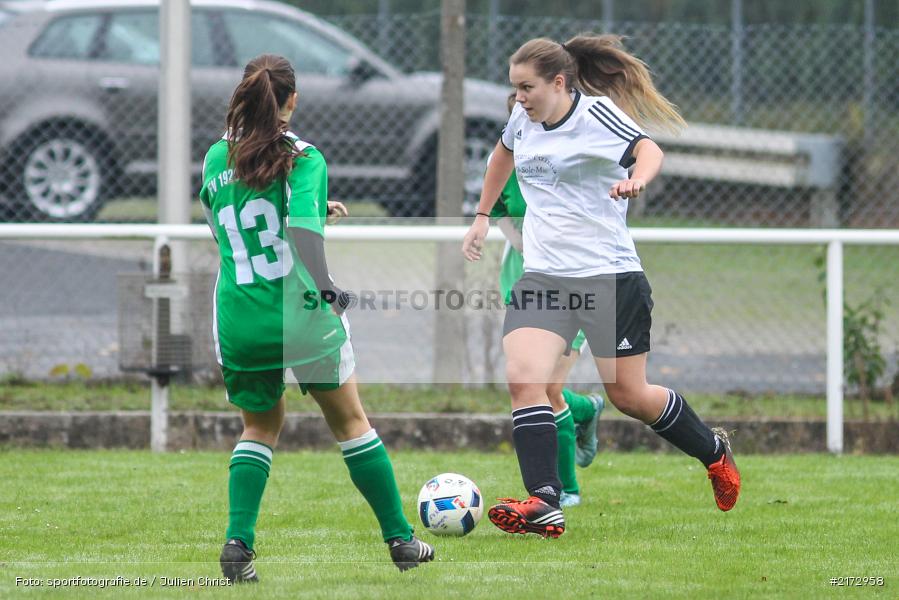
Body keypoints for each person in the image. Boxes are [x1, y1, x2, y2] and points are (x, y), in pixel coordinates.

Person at [462, 35, 741, 538]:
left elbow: (649, 150)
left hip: (609, 276)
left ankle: (713, 451)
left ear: (559, 83)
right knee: (525, 379)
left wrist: (638, 178)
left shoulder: (597, 115)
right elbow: (501, 157)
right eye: (515, 88)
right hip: (544, 277)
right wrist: (483, 215)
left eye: (527, 87)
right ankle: (544, 501)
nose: (519, 97)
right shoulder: (523, 120)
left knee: (629, 395)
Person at [200, 54, 434, 581]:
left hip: (239, 316)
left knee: (260, 427)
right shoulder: (304, 158)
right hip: (299, 316)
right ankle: (401, 541)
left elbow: (231, 224)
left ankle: (238, 546)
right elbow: (299, 234)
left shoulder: (217, 156)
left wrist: (309, 214)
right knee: (351, 423)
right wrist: (329, 290)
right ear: (292, 100)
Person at [491, 93, 605, 508]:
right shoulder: (507, 168)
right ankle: (586, 409)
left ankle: (565, 489)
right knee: (537, 386)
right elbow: (499, 215)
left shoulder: (566, 164)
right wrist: (526, 245)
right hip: (524, 286)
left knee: (549, 387)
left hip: (573, 285)